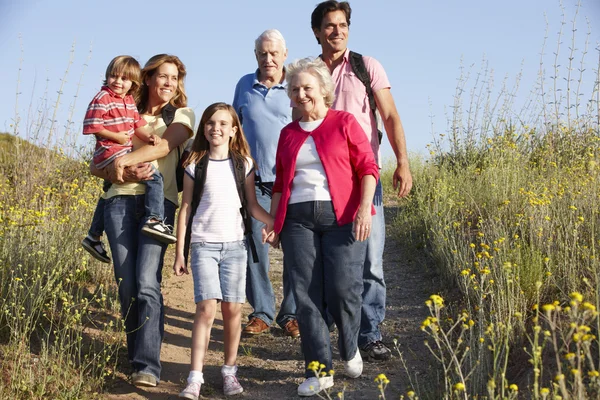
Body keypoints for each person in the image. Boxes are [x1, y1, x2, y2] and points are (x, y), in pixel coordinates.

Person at [310, 0, 413, 361]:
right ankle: (326, 335)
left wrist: (402, 161)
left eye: (342, 25)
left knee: (370, 259)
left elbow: (390, 116)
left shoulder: (366, 67)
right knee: (326, 260)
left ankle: (370, 334)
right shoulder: (310, 73)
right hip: (321, 182)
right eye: (329, 26)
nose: (336, 31)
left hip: (364, 179)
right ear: (317, 32)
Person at [270, 57, 379, 397]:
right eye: (294, 89)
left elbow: (368, 169)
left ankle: (349, 346)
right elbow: (278, 184)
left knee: (343, 288)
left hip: (342, 217)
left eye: (307, 87)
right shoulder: (287, 133)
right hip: (297, 221)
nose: (301, 94)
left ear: (323, 91)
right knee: (305, 295)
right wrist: (275, 224)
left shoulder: (344, 122)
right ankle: (319, 370)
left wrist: (364, 209)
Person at [91, 54, 195, 387]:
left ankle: (148, 365)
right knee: (127, 286)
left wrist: (125, 162)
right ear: (147, 79)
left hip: (158, 205)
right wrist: (118, 170)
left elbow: (164, 147)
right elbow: (95, 165)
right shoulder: (122, 110)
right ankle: (136, 353)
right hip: (117, 202)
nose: (169, 83)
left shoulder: (181, 114)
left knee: (147, 282)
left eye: (175, 78)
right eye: (163, 76)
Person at [173, 103, 275, 399]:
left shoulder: (244, 163)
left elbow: (253, 206)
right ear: (204, 128)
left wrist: (275, 224)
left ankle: (229, 372)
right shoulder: (195, 164)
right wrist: (181, 252)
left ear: (233, 130)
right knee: (206, 309)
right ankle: (195, 377)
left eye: (222, 123)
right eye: (210, 123)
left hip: (235, 246)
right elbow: (186, 208)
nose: (215, 128)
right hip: (203, 245)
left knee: (232, 310)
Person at [232, 29, 298, 338]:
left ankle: (292, 313)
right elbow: (235, 128)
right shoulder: (244, 85)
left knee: (296, 250)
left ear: (285, 54)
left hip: (291, 183)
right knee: (255, 248)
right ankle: (261, 312)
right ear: (255, 55)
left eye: (273, 53)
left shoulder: (296, 84)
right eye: (262, 53)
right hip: (254, 183)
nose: (268, 58)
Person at [81, 55, 176, 264]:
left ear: (133, 83)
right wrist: (117, 137)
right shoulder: (102, 98)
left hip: (119, 152)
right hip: (111, 151)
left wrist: (148, 136)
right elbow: (91, 126)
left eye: (124, 78)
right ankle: (154, 219)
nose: (118, 81)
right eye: (114, 76)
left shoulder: (128, 101)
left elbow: (137, 124)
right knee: (154, 176)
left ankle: (93, 235)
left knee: (108, 188)